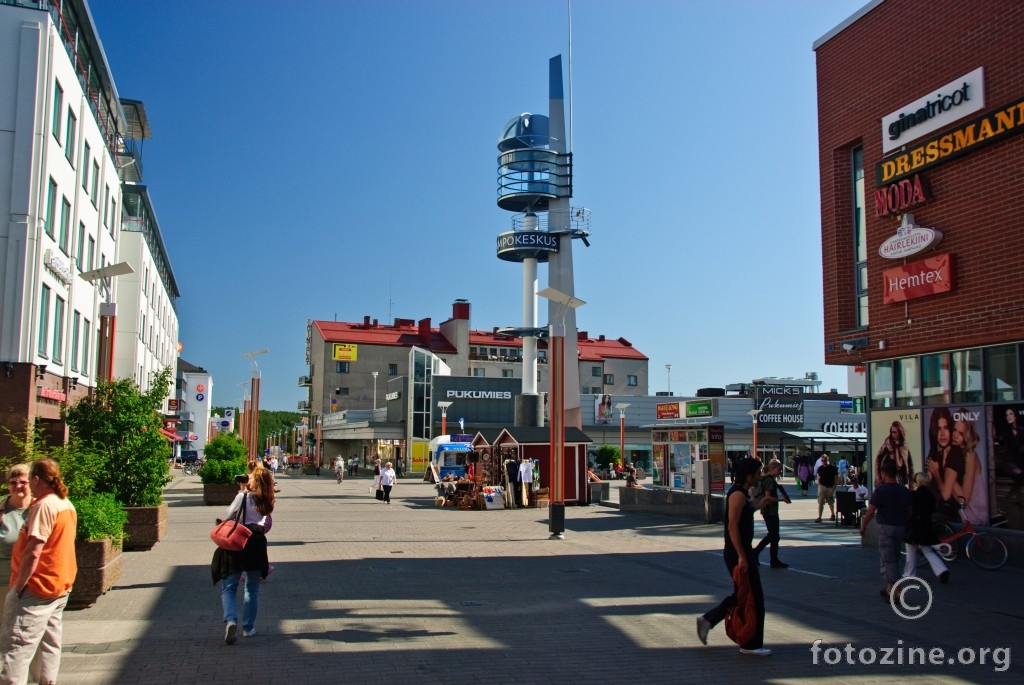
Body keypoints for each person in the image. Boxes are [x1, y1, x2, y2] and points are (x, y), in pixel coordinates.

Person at [0, 459, 77, 684]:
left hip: (38, 586)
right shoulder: (64, 503)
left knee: (17, 645)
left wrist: (19, 586)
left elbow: (34, 550)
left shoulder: (44, 506)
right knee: (49, 644)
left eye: (27, 480)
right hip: (59, 584)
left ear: (35, 479)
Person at [696, 458, 775, 656]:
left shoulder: (742, 493)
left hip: (741, 551)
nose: (760, 476)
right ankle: (751, 644)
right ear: (749, 475)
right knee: (753, 598)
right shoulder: (738, 494)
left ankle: (709, 620)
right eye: (758, 473)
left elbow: (743, 516)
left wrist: (759, 504)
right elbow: (732, 526)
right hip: (738, 552)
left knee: (744, 595)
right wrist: (741, 556)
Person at [212, 467, 275, 644]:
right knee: (252, 588)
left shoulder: (243, 496)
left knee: (229, 586)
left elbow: (229, 514)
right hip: (257, 542)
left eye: (251, 478)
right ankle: (248, 628)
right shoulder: (268, 498)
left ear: (254, 481)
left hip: (238, 540)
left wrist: (241, 491)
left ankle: (231, 620)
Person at [860, 462, 912, 601]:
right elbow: (910, 511)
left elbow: (871, 512)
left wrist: (863, 527)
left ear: (884, 474)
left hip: (887, 527)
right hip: (901, 527)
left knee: (888, 559)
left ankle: (898, 591)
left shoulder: (881, 490)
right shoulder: (903, 490)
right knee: (894, 556)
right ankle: (889, 588)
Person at [903, 472, 950, 584]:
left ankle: (909, 573)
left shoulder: (913, 495)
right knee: (927, 549)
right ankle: (942, 569)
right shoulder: (930, 495)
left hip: (915, 525)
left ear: (917, 482)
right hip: (927, 525)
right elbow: (933, 510)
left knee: (911, 549)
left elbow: (909, 510)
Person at [0, 465, 33, 619]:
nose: (17, 486)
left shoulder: (39, 507)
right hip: (3, 581)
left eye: (23, 482)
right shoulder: (1, 509)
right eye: (13, 483)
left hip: (33, 583)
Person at [925, 407, 965, 519]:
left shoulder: (954, 452)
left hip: (949, 517)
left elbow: (946, 495)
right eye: (938, 429)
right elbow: (927, 485)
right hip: (934, 513)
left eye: (945, 428)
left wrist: (936, 472)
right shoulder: (935, 454)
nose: (942, 433)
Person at [753, 459, 791, 568]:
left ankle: (768, 557)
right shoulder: (769, 480)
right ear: (773, 469)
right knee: (773, 536)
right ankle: (765, 556)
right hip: (770, 511)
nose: (780, 472)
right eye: (779, 469)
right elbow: (768, 497)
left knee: (773, 536)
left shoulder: (767, 478)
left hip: (768, 510)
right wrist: (781, 500)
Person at [951, 414, 987, 525]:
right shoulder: (955, 454)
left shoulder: (970, 455)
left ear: (967, 436)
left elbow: (963, 500)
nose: (955, 436)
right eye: (954, 430)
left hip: (976, 520)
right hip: (965, 519)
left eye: (961, 434)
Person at [875, 420, 914, 486]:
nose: (893, 434)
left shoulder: (903, 446)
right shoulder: (887, 444)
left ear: (899, 432)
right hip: (887, 477)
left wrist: (896, 447)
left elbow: (903, 465)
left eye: (895, 432)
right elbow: (878, 458)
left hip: (900, 477)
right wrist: (878, 478)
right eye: (892, 432)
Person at [814, 455, 839, 522]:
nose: (823, 462)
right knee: (820, 502)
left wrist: (834, 487)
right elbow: (819, 477)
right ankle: (819, 517)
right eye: (822, 460)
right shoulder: (820, 468)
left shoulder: (832, 468)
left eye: (824, 460)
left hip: (830, 487)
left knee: (830, 502)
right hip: (822, 486)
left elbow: (836, 478)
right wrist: (819, 485)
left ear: (827, 460)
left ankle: (833, 514)